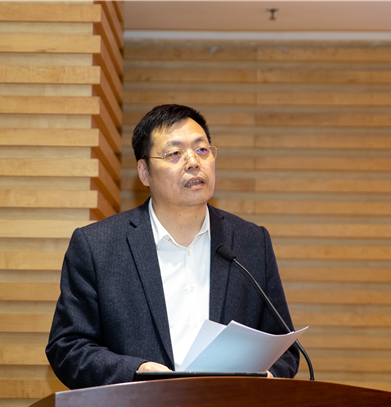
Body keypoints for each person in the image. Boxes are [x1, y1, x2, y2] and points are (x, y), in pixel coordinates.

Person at [46, 104, 299, 389]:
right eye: (175, 153)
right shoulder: (98, 247)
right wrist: (136, 371)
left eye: (202, 150)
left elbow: (285, 348)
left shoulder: (251, 242)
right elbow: (67, 348)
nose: (193, 162)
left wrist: (268, 377)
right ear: (144, 172)